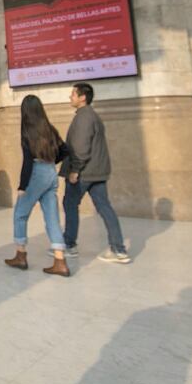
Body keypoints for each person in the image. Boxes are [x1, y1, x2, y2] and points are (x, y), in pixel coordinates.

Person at [58, 82, 131, 264]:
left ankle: (69, 245)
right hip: (98, 171)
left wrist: (75, 170)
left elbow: (81, 148)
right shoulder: (91, 116)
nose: (70, 97)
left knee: (70, 204)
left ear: (83, 97)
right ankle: (118, 249)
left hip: (84, 172)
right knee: (105, 208)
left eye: (73, 94)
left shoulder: (84, 117)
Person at [4, 95, 70, 277]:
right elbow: (65, 150)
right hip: (50, 173)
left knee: (20, 214)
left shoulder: (27, 130)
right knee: (52, 218)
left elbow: (27, 161)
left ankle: (21, 255)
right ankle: (60, 260)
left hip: (36, 174)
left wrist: (22, 186)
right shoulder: (49, 128)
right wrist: (51, 160)